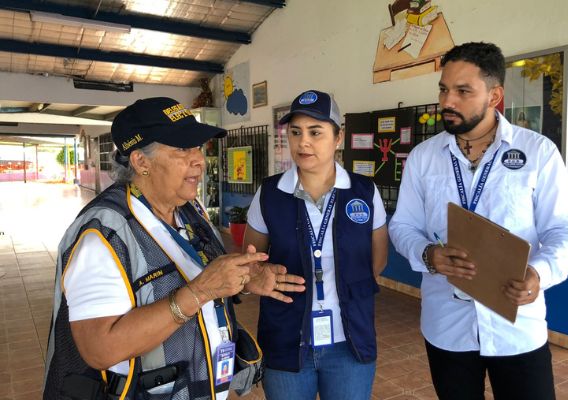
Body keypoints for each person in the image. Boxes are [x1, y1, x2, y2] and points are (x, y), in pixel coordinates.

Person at [43, 97, 305, 399]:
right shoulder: (103, 236)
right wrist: (199, 292)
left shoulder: (190, 211)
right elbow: (100, 349)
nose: (199, 160)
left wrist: (244, 280)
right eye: (183, 149)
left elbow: (204, 279)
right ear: (141, 161)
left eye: (198, 148)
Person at [389, 42, 568, 400]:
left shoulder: (537, 152)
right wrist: (428, 254)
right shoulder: (424, 157)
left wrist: (539, 274)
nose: (448, 101)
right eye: (444, 89)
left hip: (517, 327)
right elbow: (403, 226)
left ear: (495, 95)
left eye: (463, 91)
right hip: (447, 324)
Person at [243, 90, 389, 400]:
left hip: (349, 343)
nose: (303, 142)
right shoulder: (270, 193)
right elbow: (251, 261)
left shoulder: (363, 192)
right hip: (286, 340)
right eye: (295, 132)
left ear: (339, 137)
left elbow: (377, 260)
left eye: (315, 132)